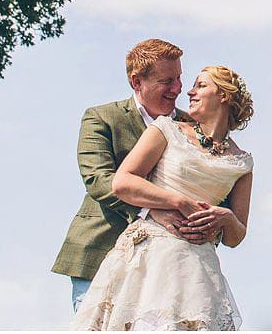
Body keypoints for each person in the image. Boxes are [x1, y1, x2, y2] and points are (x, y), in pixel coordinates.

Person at [72, 65, 255, 331]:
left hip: (196, 268)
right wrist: (177, 201)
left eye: (201, 85)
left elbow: (235, 237)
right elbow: (123, 182)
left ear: (224, 96)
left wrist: (225, 217)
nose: (189, 91)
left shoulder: (242, 163)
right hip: (150, 255)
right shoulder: (167, 129)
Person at [53, 39, 203, 310]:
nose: (178, 88)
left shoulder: (192, 126)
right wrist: (151, 210)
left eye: (180, 77)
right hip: (102, 255)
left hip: (171, 267)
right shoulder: (101, 118)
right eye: (167, 81)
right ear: (137, 82)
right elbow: (98, 180)